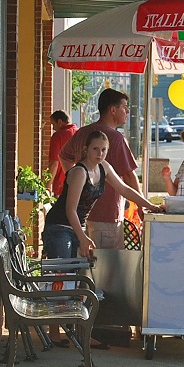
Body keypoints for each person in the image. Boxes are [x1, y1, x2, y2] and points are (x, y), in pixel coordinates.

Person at [42, 130, 162, 346]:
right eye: (95, 149)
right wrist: (83, 237)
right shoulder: (79, 172)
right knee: (61, 276)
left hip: (76, 227)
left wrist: (149, 205)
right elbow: (70, 210)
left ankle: (80, 331)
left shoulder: (104, 167)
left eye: (104, 150)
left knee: (78, 278)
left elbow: (124, 188)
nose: (99, 154)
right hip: (60, 227)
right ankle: (54, 331)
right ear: (86, 149)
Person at [59, 89, 142, 250]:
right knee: (105, 270)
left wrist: (76, 183)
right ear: (113, 110)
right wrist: (141, 206)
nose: (127, 111)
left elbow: (64, 156)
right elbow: (130, 176)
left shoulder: (82, 132)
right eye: (124, 107)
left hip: (79, 217)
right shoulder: (116, 139)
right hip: (107, 216)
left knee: (86, 269)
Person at [46, 110, 78, 197]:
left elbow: (54, 163)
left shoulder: (58, 136)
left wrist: (47, 186)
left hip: (61, 185)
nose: (53, 128)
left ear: (60, 121)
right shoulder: (79, 133)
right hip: (79, 183)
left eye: (53, 124)